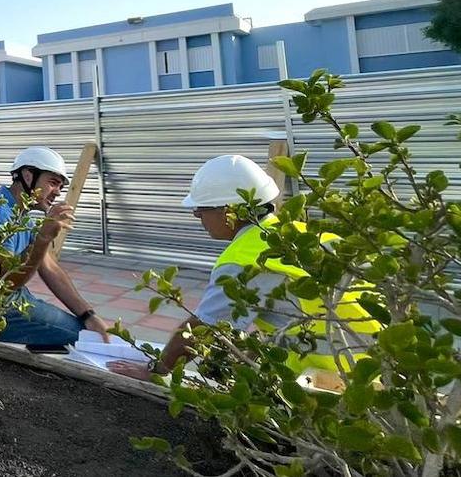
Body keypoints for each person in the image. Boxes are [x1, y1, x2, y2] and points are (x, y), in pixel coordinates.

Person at [108, 155, 379, 382]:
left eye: (201, 209)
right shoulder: (300, 234)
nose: (197, 216)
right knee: (240, 354)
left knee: (221, 366)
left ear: (229, 211)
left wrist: (156, 370)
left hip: (333, 375)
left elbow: (204, 328)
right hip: (379, 362)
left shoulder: (242, 259)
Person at [0, 146, 111, 348]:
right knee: (90, 339)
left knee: (89, 328)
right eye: (53, 183)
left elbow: (50, 268)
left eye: (61, 187)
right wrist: (43, 239)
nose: (57, 192)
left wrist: (88, 314)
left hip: (17, 301)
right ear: (28, 176)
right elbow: (2, 285)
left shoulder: (23, 214)